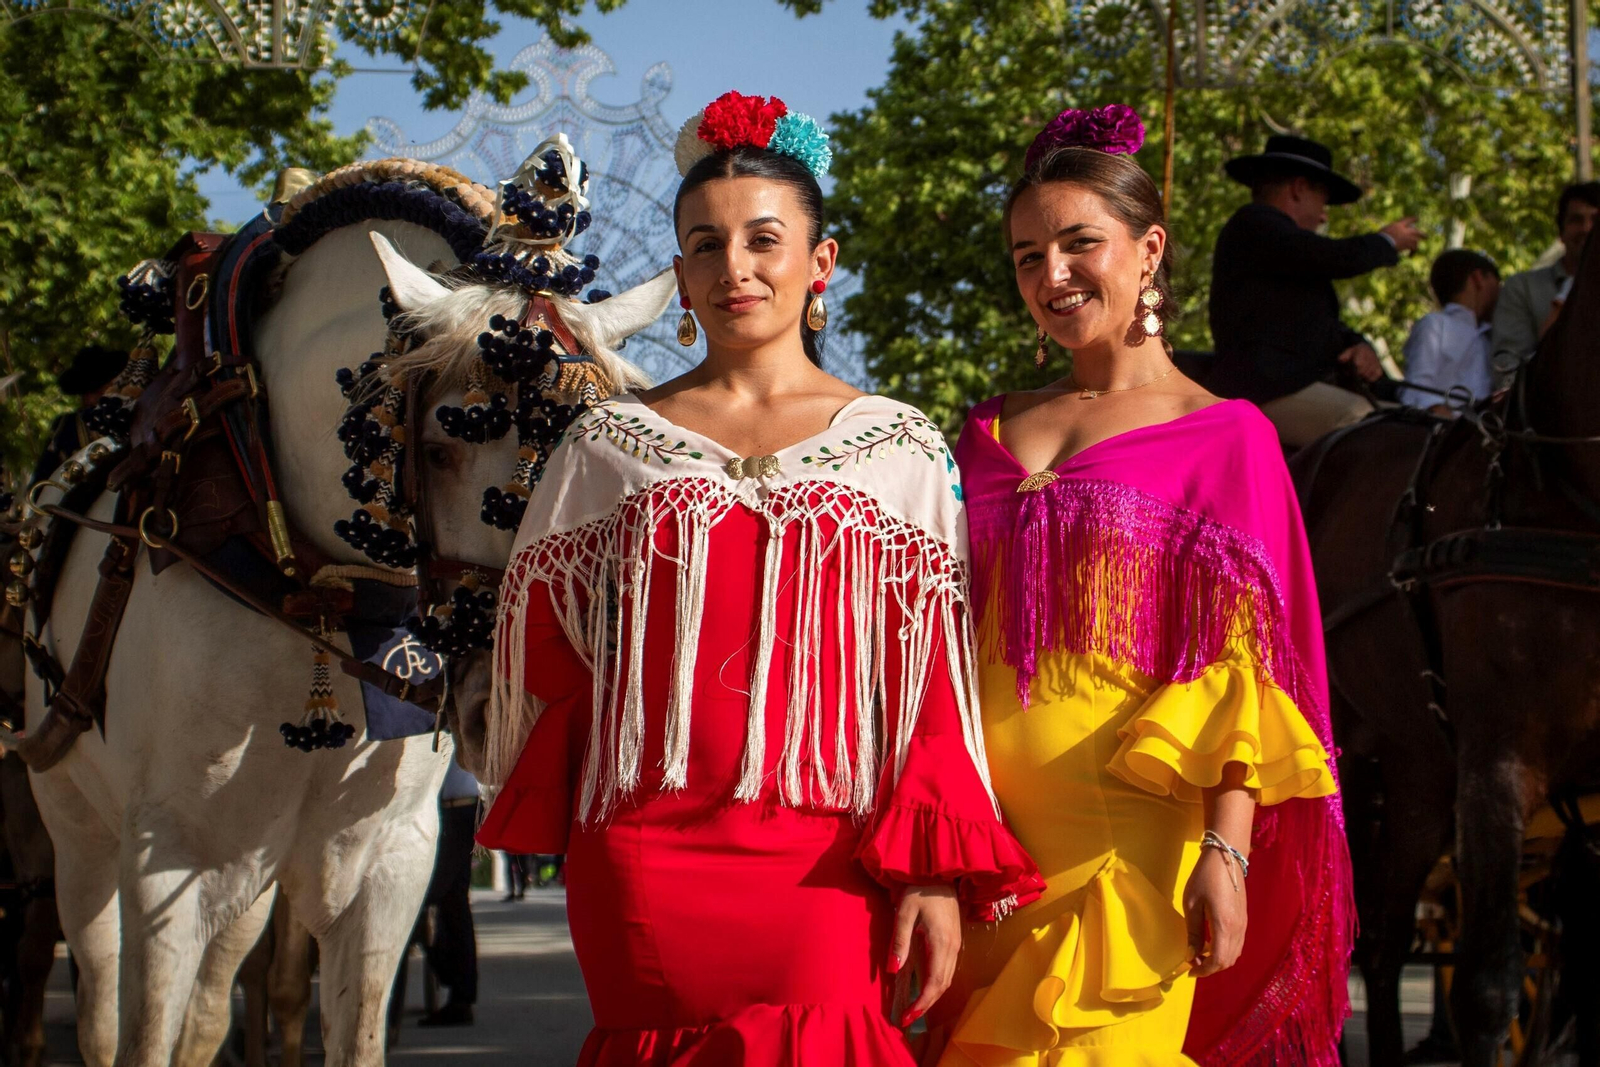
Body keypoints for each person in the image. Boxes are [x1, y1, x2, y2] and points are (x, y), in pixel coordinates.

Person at [476, 90, 1040, 1065]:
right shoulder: (608, 444)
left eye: (762, 239)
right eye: (705, 243)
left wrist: (933, 869)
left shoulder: (896, 446)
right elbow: (548, 655)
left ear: (819, 263)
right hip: (644, 851)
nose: (733, 266)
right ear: (682, 274)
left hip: (830, 856)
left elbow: (931, 685)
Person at [926, 105, 1349, 1067]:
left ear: (1149, 250)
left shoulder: (1227, 434)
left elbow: (1242, 672)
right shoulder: (983, 430)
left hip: (1128, 849)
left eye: (1081, 244)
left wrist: (1226, 852)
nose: (1053, 275)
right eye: (1028, 256)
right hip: (985, 853)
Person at [1207, 134, 1423, 447]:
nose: (1324, 215)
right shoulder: (1255, 224)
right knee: (1370, 428)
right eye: (1323, 199)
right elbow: (1331, 257)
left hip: (1296, 385)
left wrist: (1359, 347)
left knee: (1418, 427)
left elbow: (1315, 322)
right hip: (1265, 389)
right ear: (1298, 188)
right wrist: (1385, 242)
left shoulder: (1288, 254)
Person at [1490, 181, 1600, 373]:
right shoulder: (1522, 288)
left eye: (1596, 220)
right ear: (1561, 233)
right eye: (1576, 220)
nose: (1587, 228)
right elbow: (1506, 370)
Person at [1399, 250, 1500, 414]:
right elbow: (1415, 389)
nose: (1500, 292)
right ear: (1478, 279)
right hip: (1442, 432)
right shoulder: (1435, 325)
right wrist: (1441, 413)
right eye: (1497, 283)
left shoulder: (1491, 336)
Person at [418, 761, 480, 1027]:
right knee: (453, 905)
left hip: (456, 809)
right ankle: (460, 995)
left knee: (423, 901)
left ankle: (452, 977)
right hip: (458, 806)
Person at [30, 344, 127, 485]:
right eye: (92, 391)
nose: (98, 395)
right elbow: (45, 473)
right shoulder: (67, 425)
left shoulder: (126, 416)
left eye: (103, 386)